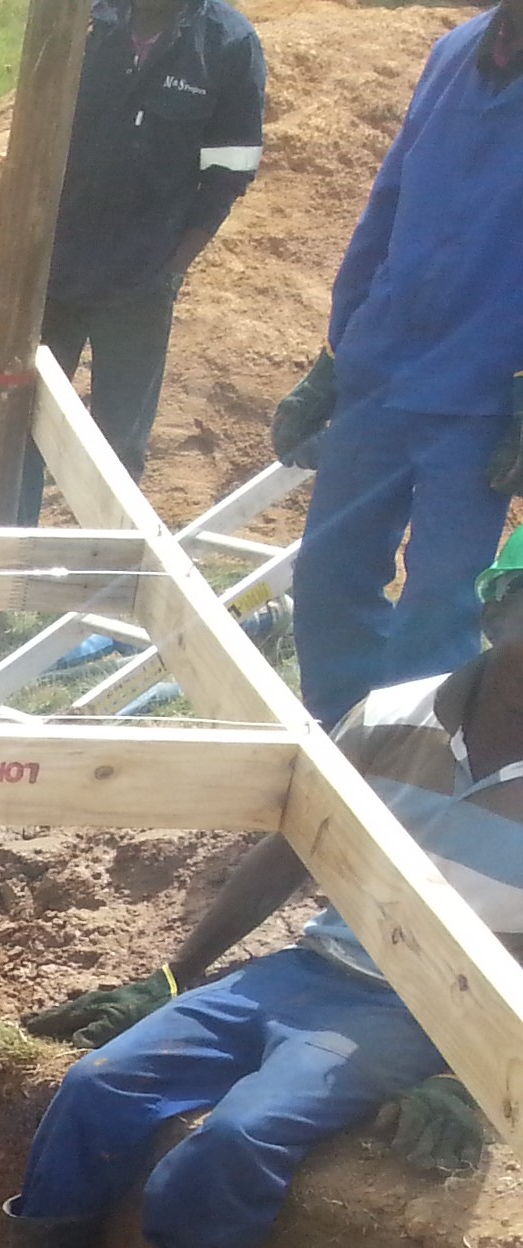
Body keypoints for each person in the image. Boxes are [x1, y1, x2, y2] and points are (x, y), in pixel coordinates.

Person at [0, 536, 523, 1248]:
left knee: (238, 1139)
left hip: (429, 1008)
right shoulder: (391, 715)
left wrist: (478, 1067)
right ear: (499, 615)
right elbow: (290, 848)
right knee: (97, 1087)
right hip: (309, 968)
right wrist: (175, 974)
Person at [271, 0, 523, 724]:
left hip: (485, 395)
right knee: (329, 577)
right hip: (383, 371)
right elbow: (387, 205)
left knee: (438, 605)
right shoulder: (455, 53)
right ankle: (341, 739)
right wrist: (337, 350)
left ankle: (413, 771)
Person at [0, 0, 264, 523]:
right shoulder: (81, 22)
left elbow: (227, 175)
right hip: (51, 271)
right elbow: (32, 149)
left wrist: (170, 271)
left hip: (140, 283)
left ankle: (99, 585)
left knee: (119, 447)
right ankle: (6, 578)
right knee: (19, 432)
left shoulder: (227, 45)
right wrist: (5, 265)